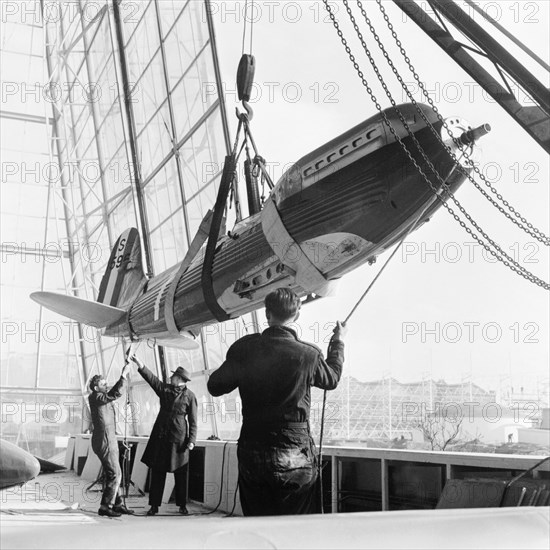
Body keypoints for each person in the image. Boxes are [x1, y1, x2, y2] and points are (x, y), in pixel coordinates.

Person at [207, 287, 346, 516]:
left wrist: (237, 361)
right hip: (296, 451)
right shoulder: (308, 355)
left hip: (254, 450)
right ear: (297, 315)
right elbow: (332, 379)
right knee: (296, 523)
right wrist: (337, 342)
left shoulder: (244, 349)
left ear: (266, 313)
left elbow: (215, 386)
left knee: (257, 520)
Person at [128, 356, 197, 516]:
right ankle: (154, 506)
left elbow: (193, 421)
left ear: (179, 379)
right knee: (157, 473)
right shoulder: (165, 390)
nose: (170, 378)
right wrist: (140, 364)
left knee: (181, 474)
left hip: (179, 440)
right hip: (161, 438)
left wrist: (191, 441)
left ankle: (182, 506)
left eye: (173, 376)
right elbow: (152, 380)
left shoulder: (190, 396)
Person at [88, 363, 134, 517]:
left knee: (115, 472)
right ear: (96, 388)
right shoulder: (96, 397)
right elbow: (115, 393)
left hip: (108, 439)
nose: (106, 384)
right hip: (105, 441)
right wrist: (123, 375)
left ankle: (118, 504)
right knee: (115, 474)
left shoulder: (100, 397)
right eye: (103, 384)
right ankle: (105, 506)